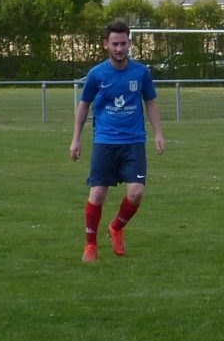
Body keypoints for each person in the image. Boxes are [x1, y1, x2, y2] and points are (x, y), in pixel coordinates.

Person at [69, 20, 165, 262]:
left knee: (136, 194)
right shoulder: (96, 74)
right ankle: (90, 245)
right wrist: (76, 139)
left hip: (134, 142)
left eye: (123, 43)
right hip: (105, 141)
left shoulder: (141, 73)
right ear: (106, 45)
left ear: (129, 43)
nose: (119, 48)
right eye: (115, 44)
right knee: (97, 194)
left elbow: (150, 102)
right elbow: (83, 106)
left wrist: (158, 133)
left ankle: (116, 227)